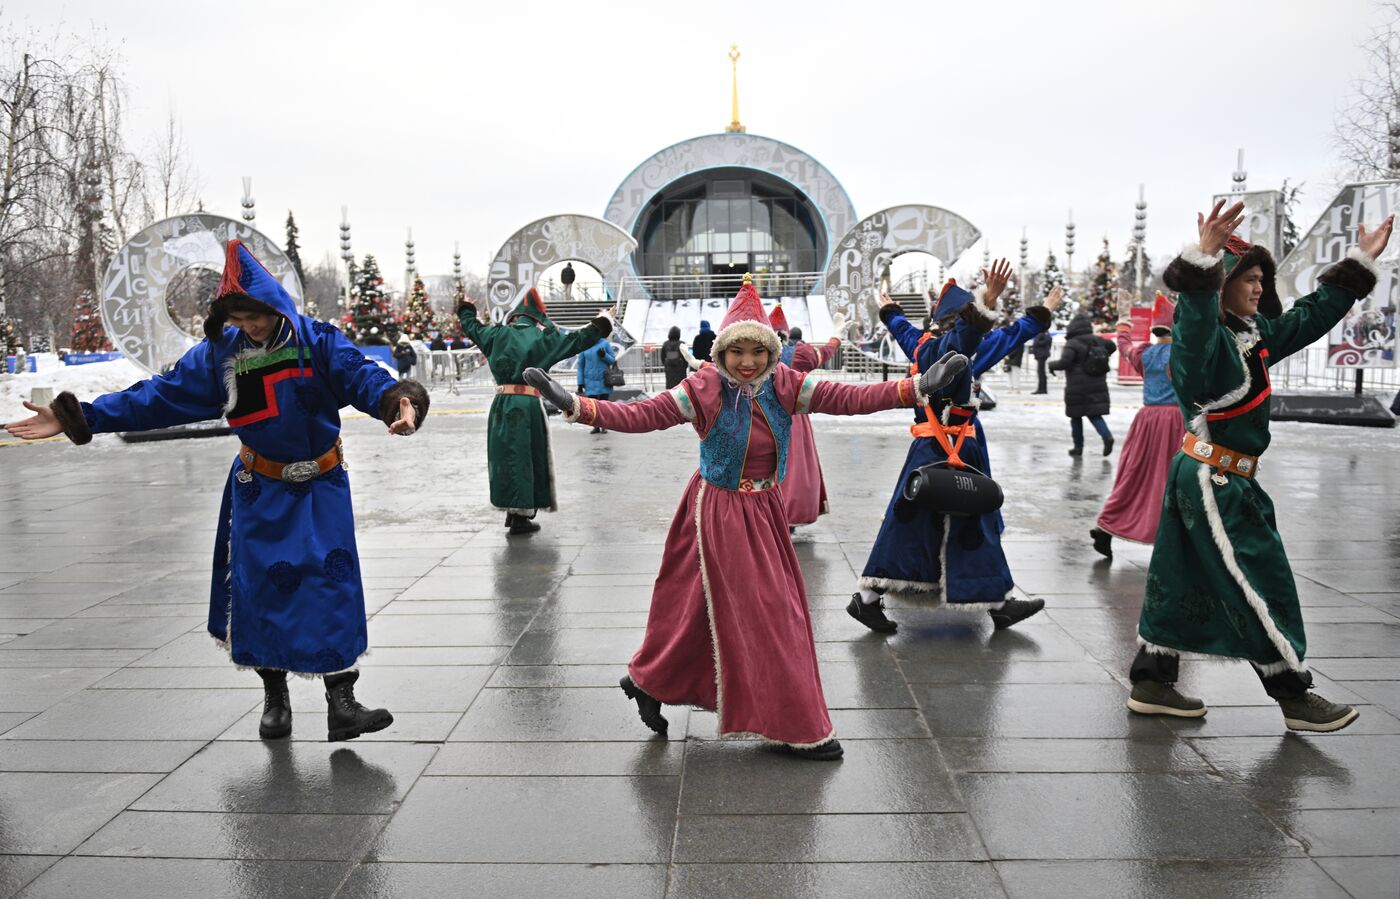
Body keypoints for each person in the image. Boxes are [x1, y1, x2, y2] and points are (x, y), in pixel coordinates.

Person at [521, 274, 967, 760]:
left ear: (772, 352)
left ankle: (648, 680)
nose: (748, 362)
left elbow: (848, 398)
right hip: (719, 511)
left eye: (758, 351)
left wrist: (916, 386)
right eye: (738, 352)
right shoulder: (705, 386)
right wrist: (576, 405)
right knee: (772, 614)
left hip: (765, 510)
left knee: (700, 611)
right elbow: (642, 414)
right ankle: (796, 725)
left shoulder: (784, 383)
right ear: (722, 353)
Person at [4, 240, 429, 742]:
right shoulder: (219, 355)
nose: (249, 327)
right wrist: (84, 417)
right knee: (262, 586)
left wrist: (397, 399)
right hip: (259, 488)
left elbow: (360, 375)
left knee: (330, 580)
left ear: (276, 306)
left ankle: (342, 702)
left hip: (320, 485)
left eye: (256, 316)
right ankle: (276, 699)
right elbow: (158, 397)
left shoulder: (316, 341)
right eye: (239, 318)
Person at [1126, 200, 1392, 733]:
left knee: (1180, 580)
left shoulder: (1252, 337)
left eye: (1260, 278)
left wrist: (1359, 263)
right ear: (1219, 285)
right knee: (1261, 579)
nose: (1256, 287)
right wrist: (1200, 264)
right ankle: (1293, 693)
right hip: (1213, 479)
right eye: (1246, 278)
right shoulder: (1201, 342)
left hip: (1216, 476)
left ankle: (1152, 681)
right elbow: (1195, 327)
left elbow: (1309, 317)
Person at [849, 261, 1059, 634]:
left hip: (940, 445)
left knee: (931, 522)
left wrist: (890, 311)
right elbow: (997, 336)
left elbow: (902, 329)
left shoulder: (921, 344)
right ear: (956, 322)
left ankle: (997, 602)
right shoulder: (958, 347)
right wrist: (996, 307)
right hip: (950, 446)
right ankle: (870, 598)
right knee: (949, 522)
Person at [456, 289, 612, 535]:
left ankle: (512, 510)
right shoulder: (543, 339)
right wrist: (603, 321)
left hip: (501, 403)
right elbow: (577, 340)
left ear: (515, 316)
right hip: (528, 403)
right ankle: (522, 515)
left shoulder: (496, 334)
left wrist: (466, 308)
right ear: (537, 317)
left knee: (506, 457)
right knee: (527, 457)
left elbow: (471, 326)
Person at [1090, 292, 1182, 559]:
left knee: (1133, 477)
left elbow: (1124, 345)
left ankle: (1106, 526)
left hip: (1146, 421)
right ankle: (1171, 535)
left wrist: (1123, 319)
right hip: (1176, 422)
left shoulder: (1146, 354)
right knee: (1172, 479)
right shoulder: (1183, 355)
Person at [773, 316, 851, 528]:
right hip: (795, 413)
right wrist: (836, 335)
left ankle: (767, 512)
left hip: (763, 412)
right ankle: (790, 511)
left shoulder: (758, 352)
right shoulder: (799, 353)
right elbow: (824, 353)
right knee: (795, 464)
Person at [1049, 312, 1116, 456]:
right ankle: (1107, 436)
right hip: (1097, 384)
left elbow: (1064, 363)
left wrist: (1051, 365)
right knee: (1095, 415)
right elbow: (1112, 346)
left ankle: (1078, 447)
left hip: (1077, 386)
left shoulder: (1073, 343)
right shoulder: (1099, 341)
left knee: (1076, 417)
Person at [576, 336, 617, 434]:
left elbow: (612, 361)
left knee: (604, 404)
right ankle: (596, 426)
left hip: (604, 379)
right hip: (589, 380)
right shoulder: (584, 345)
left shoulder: (605, 343)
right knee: (592, 405)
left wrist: (604, 355)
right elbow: (580, 366)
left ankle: (604, 425)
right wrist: (580, 383)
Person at [1031, 328, 1053, 394]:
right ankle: (1042, 389)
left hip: (1041, 355)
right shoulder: (1044, 335)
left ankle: (1042, 389)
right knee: (1041, 372)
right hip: (1041, 355)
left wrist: (1036, 341)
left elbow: (1038, 343)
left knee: (1041, 373)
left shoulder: (1044, 335)